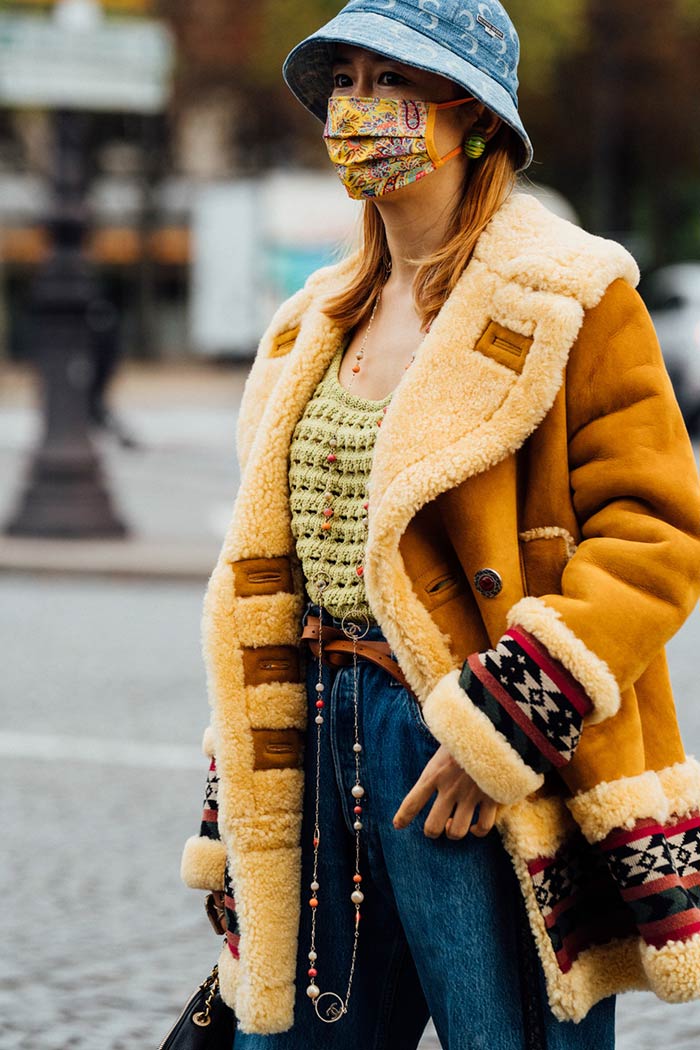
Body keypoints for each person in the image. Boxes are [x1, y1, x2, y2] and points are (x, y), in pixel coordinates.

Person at [178, 2, 700, 1047]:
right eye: (344, 83)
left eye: (391, 84)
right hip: (318, 739)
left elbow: (655, 534)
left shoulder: (571, 297)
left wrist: (496, 729)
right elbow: (268, 571)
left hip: (469, 750)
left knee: (503, 1034)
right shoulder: (309, 322)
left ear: (472, 121)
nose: (355, 111)